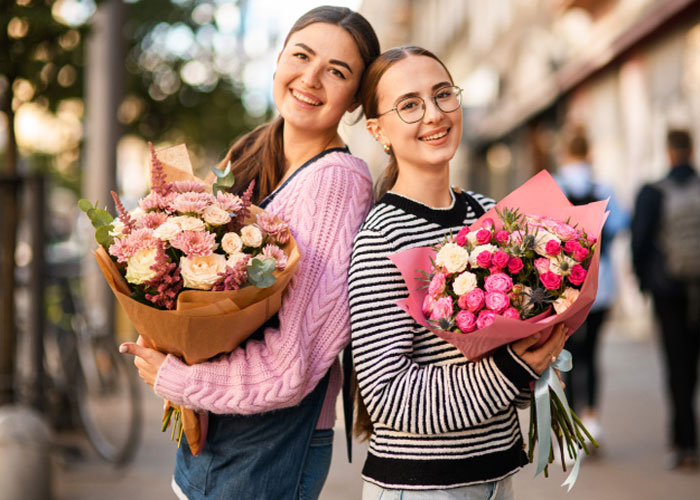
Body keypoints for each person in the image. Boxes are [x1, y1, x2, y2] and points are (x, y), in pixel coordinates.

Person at [118, 7, 379, 500]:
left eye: (337, 72)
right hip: (220, 430)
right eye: (301, 56)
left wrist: (177, 377)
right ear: (279, 59)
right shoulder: (252, 153)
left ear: (355, 101)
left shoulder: (337, 183)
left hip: (269, 442)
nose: (311, 78)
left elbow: (291, 367)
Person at [348, 46, 568, 499]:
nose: (434, 114)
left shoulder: (492, 216)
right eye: (409, 105)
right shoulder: (380, 238)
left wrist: (544, 352)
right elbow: (389, 395)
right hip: (422, 487)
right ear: (378, 130)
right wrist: (512, 368)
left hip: (496, 476)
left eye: (443, 94)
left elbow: (516, 370)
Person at [631, 128, 700, 471]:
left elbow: (640, 243)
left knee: (678, 368)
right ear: (692, 149)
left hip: (669, 294)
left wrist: (645, 285)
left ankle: (684, 442)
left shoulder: (652, 193)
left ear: (669, 152)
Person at [555, 128, 628, 446]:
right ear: (590, 153)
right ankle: (593, 418)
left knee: (567, 354)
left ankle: (570, 427)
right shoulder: (603, 188)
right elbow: (620, 223)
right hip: (601, 284)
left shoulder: (556, 185)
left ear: (564, 152)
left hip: (563, 288)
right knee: (593, 354)